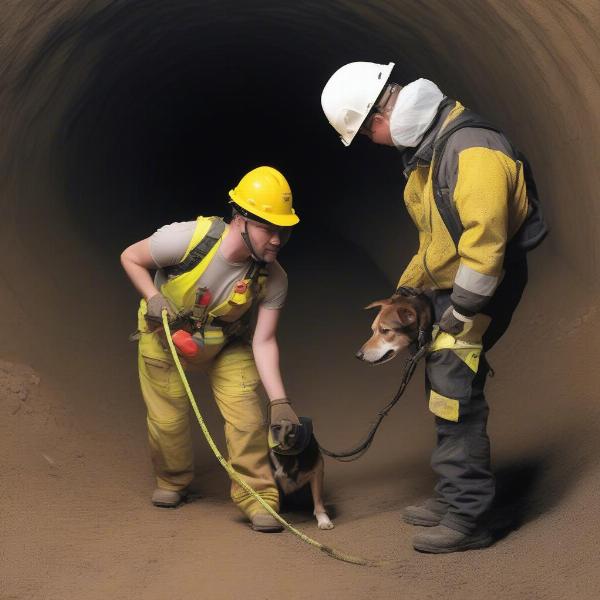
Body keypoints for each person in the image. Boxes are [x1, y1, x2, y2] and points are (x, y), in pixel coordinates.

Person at [321, 62, 546, 552]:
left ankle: (469, 519)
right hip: (453, 284)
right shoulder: (433, 150)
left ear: (378, 118)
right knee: (443, 388)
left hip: (482, 286)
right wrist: (409, 289)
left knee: (455, 392)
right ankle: (452, 496)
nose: (371, 143)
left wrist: (462, 311)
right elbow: (435, 242)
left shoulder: (471, 150)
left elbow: (485, 245)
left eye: (365, 134)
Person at [120, 165, 303, 533]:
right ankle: (172, 481)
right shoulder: (188, 238)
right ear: (241, 219)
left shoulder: (274, 278)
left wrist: (279, 401)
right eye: (269, 228)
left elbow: (264, 340)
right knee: (167, 420)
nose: (276, 240)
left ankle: (258, 497)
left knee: (248, 420)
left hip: (224, 344)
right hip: (165, 337)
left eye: (283, 230)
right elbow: (130, 257)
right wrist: (153, 297)